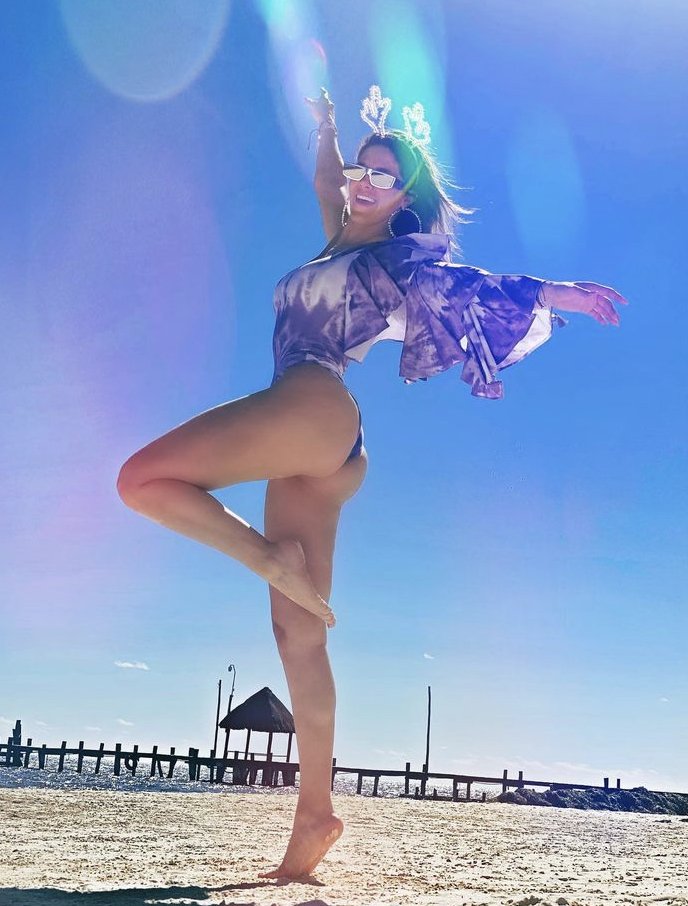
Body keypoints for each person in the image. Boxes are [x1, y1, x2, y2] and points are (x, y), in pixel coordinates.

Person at [116, 85, 628, 881]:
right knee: (298, 635)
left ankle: (267, 560)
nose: (363, 182)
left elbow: (466, 284)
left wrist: (553, 293)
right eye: (362, 170)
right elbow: (327, 180)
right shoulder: (337, 234)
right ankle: (314, 817)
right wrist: (328, 128)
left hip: (313, 403)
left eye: (383, 177)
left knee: (142, 479)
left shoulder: (396, 256)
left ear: (403, 198)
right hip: (325, 448)